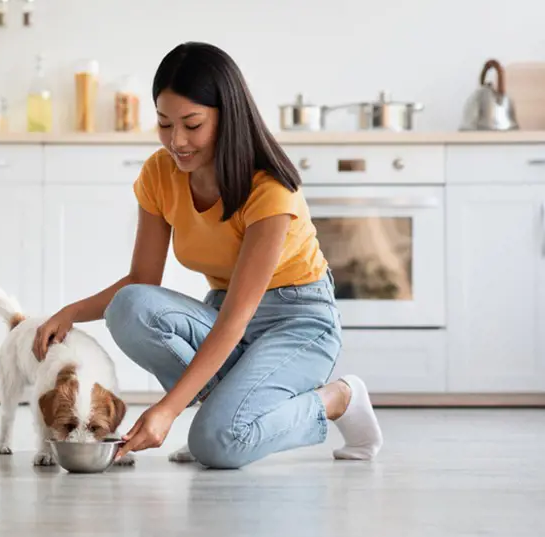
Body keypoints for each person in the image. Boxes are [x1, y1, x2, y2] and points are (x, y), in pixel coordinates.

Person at [33, 42, 383, 469]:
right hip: (221, 312)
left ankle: (337, 399)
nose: (176, 141)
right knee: (129, 306)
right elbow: (141, 279)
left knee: (217, 444)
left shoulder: (269, 188)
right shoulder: (160, 174)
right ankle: (226, 415)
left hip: (297, 322)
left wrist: (167, 409)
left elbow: (238, 316)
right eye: (164, 124)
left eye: (192, 125)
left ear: (227, 117)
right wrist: (70, 312)